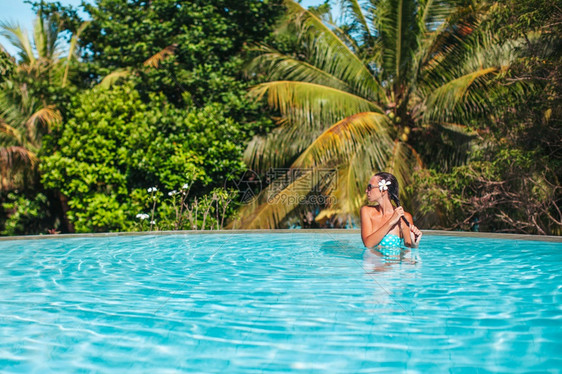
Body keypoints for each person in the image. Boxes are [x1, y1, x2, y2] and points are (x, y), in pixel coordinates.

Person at [360, 172, 422, 249]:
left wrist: (414, 245)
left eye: (370, 187)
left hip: (392, 260)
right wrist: (391, 221)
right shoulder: (367, 211)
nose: (366, 191)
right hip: (371, 261)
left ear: (383, 190)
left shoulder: (404, 217)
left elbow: (408, 255)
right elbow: (368, 244)